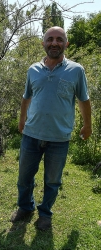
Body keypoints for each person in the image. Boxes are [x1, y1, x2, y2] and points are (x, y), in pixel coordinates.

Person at [10, 26, 92, 230]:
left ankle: (45, 213)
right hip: (31, 134)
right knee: (24, 178)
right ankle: (25, 207)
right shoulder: (33, 70)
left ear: (66, 43)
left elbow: (84, 100)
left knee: (52, 181)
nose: (54, 43)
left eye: (59, 39)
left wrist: (87, 124)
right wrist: (21, 120)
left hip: (59, 138)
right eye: (50, 39)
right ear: (43, 43)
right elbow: (26, 97)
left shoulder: (76, 70)